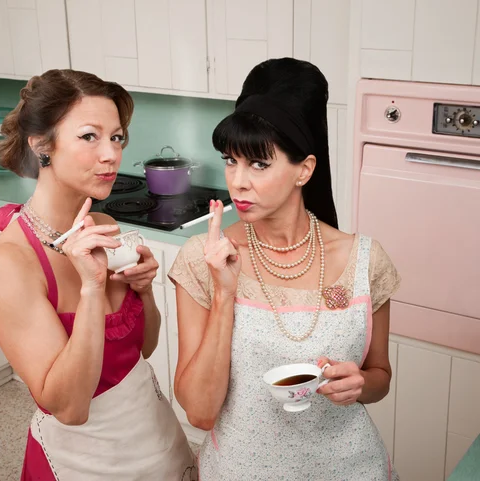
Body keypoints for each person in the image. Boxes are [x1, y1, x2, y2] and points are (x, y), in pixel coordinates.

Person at [168, 58, 401, 480]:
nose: (237, 181)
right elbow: (200, 414)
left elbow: (380, 376)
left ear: (304, 170)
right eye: (230, 160)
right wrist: (224, 294)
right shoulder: (204, 258)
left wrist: (361, 386)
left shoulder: (365, 260)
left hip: (352, 469)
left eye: (259, 164)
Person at [0, 69, 196, 481]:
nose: (111, 154)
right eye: (89, 136)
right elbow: (71, 407)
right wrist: (93, 291)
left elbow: (144, 348)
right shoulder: (10, 264)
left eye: (116, 137)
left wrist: (144, 291)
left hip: (157, 441)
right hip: (84, 463)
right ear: (42, 145)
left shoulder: (102, 223)